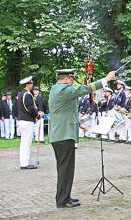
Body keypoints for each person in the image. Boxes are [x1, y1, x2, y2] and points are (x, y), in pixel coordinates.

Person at [49, 68, 116, 208]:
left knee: (64, 169)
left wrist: (79, 124)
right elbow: (84, 89)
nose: (73, 82)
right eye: (72, 79)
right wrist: (106, 79)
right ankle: (62, 200)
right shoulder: (64, 89)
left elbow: (65, 112)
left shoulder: (56, 90)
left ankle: (64, 197)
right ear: (66, 79)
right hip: (64, 136)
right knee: (66, 169)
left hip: (61, 135)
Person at [18, 76, 42, 170]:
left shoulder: (21, 94)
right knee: (26, 143)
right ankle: (24, 163)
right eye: (31, 84)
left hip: (23, 120)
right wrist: (38, 115)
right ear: (28, 84)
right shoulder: (27, 95)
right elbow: (30, 108)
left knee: (24, 142)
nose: (32, 85)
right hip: (27, 121)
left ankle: (24, 162)